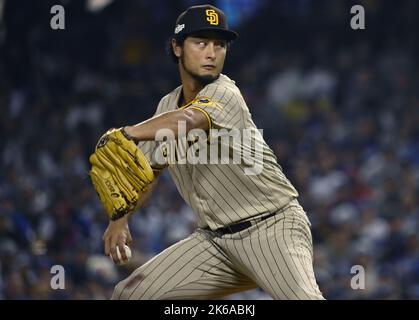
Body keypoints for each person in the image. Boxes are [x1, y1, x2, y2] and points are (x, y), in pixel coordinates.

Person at [103, 4, 324, 300]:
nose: (211, 52)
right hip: (214, 243)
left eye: (219, 44)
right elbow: (147, 174)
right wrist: (119, 218)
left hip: (272, 228)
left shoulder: (225, 91)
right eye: (201, 42)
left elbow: (190, 119)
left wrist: (127, 133)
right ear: (177, 47)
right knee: (129, 295)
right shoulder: (165, 107)